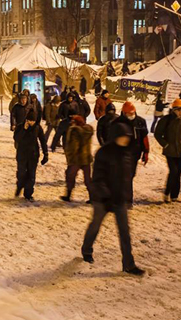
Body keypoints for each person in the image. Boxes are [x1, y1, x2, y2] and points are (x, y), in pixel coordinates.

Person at [81, 122, 145, 276]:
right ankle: (87, 250)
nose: (125, 140)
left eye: (127, 138)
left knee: (125, 232)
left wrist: (126, 196)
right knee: (95, 226)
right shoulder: (103, 152)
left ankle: (128, 264)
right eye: (122, 137)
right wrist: (105, 195)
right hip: (102, 199)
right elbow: (98, 178)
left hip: (119, 198)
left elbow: (127, 177)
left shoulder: (126, 153)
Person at [154, 99, 181, 203]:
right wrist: (165, 144)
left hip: (180, 150)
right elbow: (157, 134)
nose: (180, 112)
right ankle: (167, 193)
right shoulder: (166, 120)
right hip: (170, 151)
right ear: (174, 110)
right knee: (173, 172)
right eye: (178, 110)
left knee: (178, 173)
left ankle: (174, 196)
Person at [14, 111, 49, 201]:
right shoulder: (20, 126)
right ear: (26, 120)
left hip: (33, 155)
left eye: (33, 121)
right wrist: (24, 129)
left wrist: (45, 154)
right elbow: (17, 138)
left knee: (31, 175)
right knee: (21, 174)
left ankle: (28, 194)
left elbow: (43, 141)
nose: (31, 122)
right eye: (30, 120)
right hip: (22, 154)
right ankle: (20, 186)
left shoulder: (37, 128)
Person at [112, 101, 149, 179]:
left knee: (131, 174)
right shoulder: (117, 123)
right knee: (121, 174)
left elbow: (144, 137)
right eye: (129, 114)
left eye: (133, 113)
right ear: (124, 113)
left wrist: (146, 151)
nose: (131, 115)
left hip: (135, 153)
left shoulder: (140, 122)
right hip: (121, 153)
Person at [62, 114, 93, 203]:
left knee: (70, 177)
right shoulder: (88, 130)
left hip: (76, 159)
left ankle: (68, 196)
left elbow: (73, 146)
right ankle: (92, 197)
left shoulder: (74, 131)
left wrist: (69, 155)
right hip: (86, 158)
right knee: (88, 179)